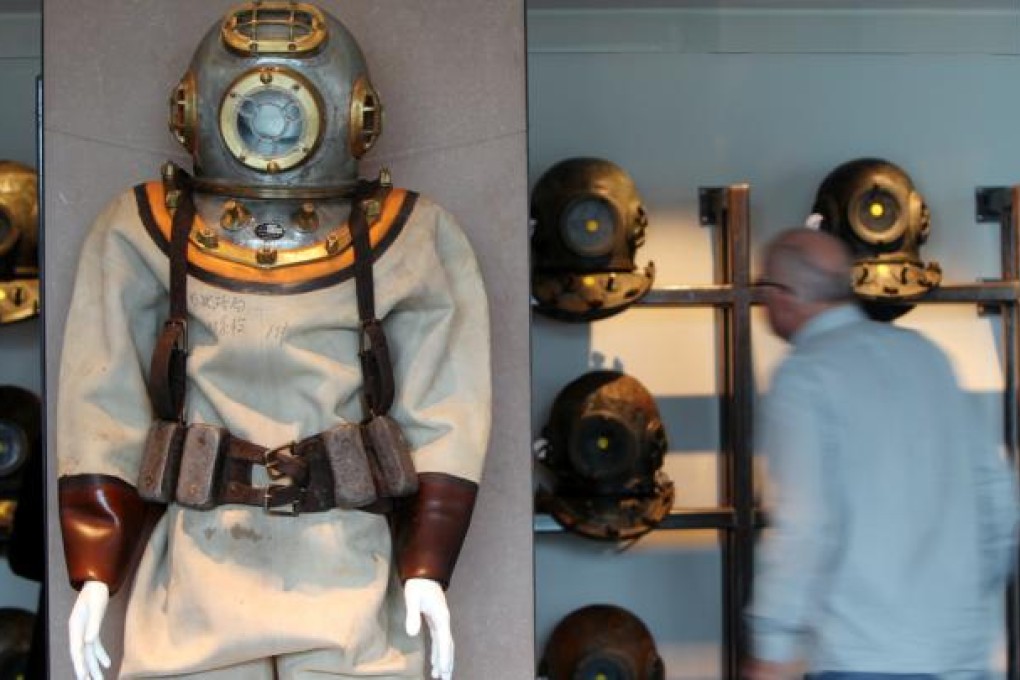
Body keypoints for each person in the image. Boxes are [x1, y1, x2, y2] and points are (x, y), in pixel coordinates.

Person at [56, 3, 490, 679]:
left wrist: (428, 563)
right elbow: (100, 401)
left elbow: (446, 409)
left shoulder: (411, 240)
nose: (271, 122)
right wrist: (95, 566)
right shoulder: (143, 232)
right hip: (199, 576)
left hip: (347, 574)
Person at [745, 228, 1020, 680]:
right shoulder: (927, 355)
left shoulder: (805, 377)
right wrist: (960, 606)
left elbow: (803, 526)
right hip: (961, 659)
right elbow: (998, 499)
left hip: (862, 657)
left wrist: (774, 645)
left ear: (784, 296)